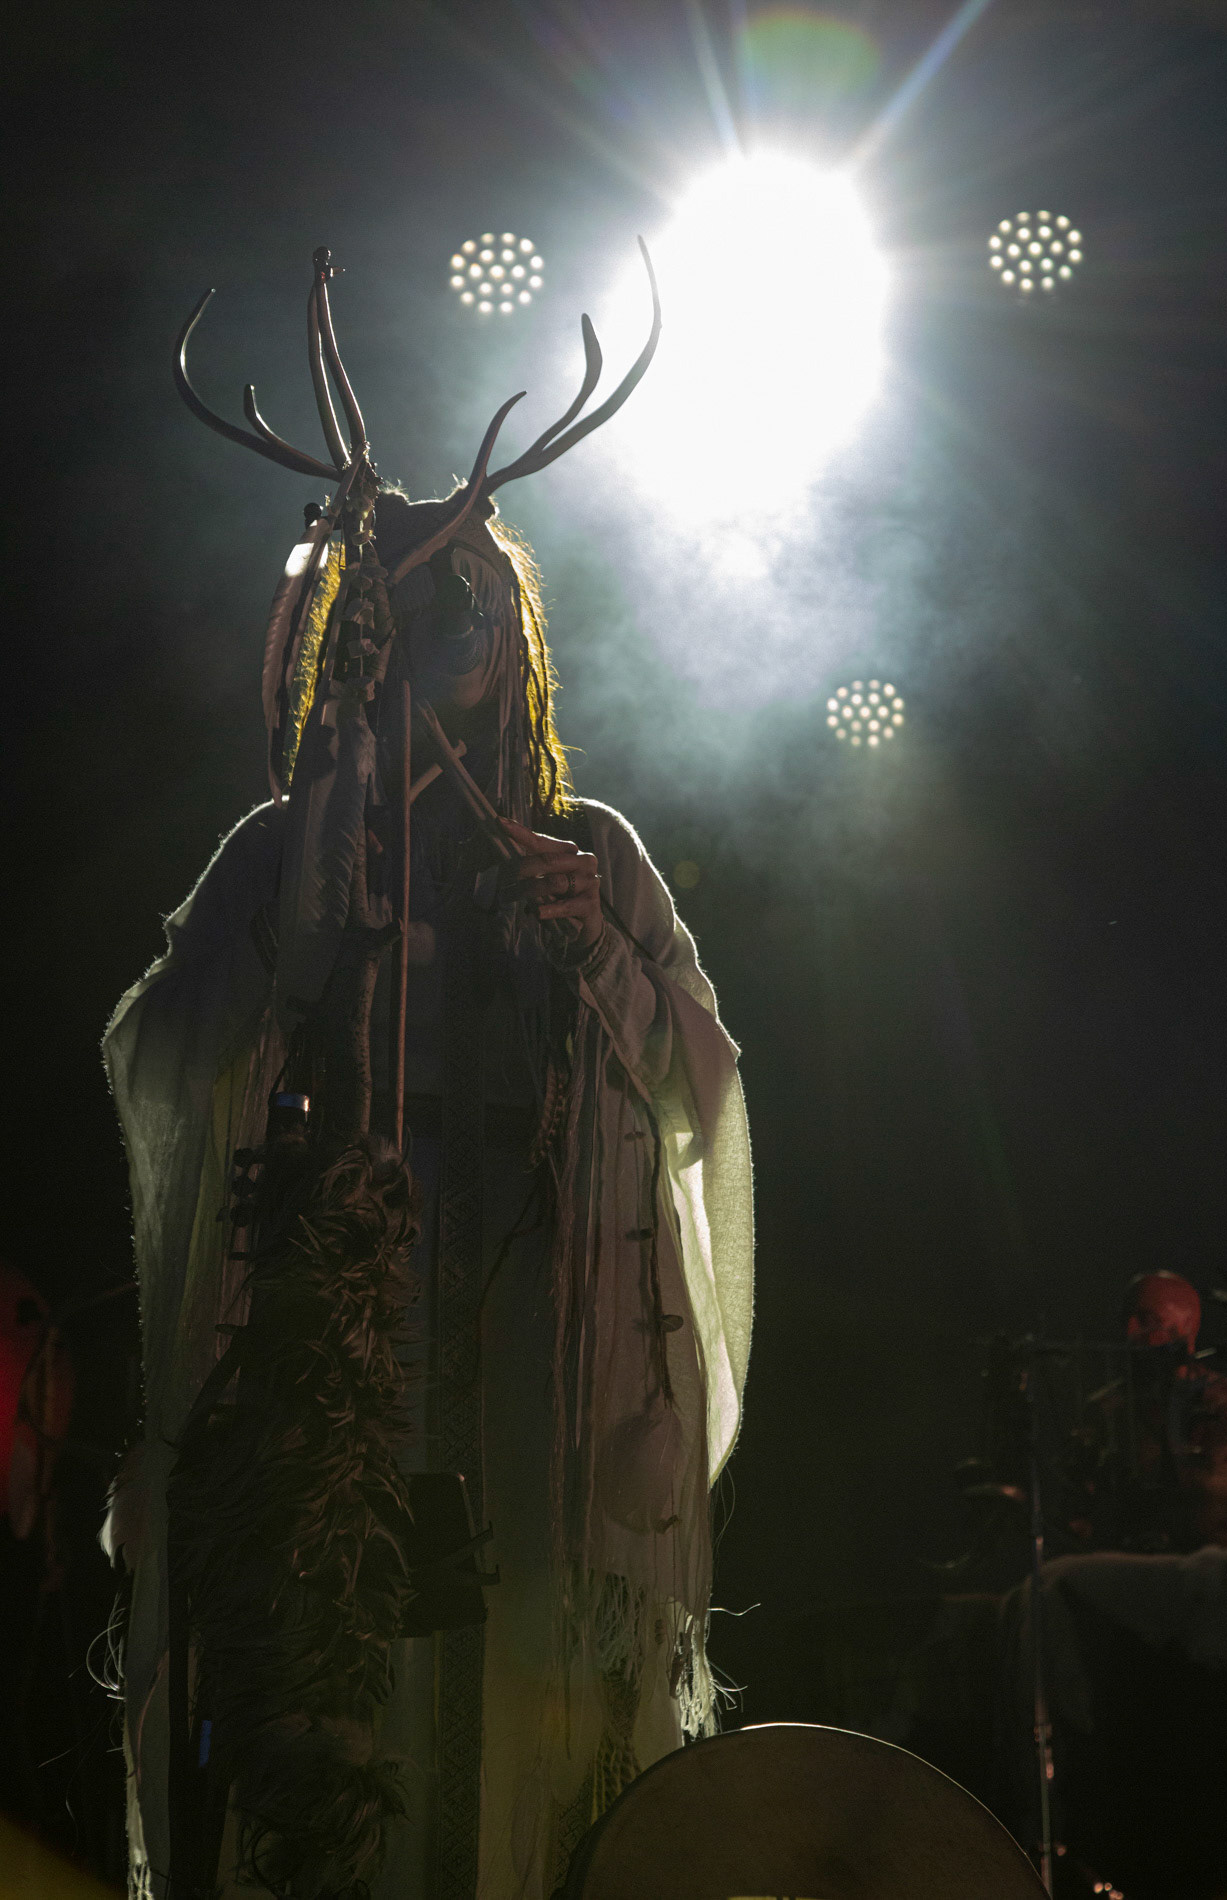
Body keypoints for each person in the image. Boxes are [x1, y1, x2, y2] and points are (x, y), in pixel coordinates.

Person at [102, 248, 753, 1900]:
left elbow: (702, 1099)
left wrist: (599, 950)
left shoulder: (591, 849)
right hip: (341, 1322)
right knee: (342, 1680)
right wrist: (311, 865)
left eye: (467, 599)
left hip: (541, 1337)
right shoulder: (288, 847)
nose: (443, 631)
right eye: (408, 600)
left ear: (507, 631)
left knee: (526, 1695)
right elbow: (162, 1057)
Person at [1112, 1271, 1227, 1551]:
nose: (1130, 1331)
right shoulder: (1108, 1410)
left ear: (1185, 1326)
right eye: (1126, 1319)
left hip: (1218, 1571)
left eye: (1146, 1319)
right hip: (1132, 1571)